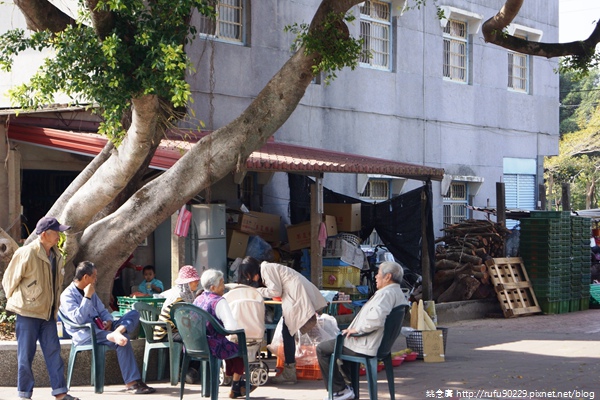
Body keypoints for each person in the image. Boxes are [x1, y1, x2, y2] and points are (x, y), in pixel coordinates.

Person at [1, 216, 81, 400]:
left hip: (48, 313)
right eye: (57, 232)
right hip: (28, 313)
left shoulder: (57, 255)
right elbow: (8, 281)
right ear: (45, 234)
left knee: (54, 353)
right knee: (25, 357)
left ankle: (60, 393)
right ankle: (24, 394)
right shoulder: (27, 252)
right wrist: (19, 301)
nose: (59, 235)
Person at [316, 261, 408, 400]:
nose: (376, 277)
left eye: (378, 274)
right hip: (378, 344)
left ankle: (339, 390)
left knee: (322, 349)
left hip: (367, 343)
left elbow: (376, 319)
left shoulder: (386, 294)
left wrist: (357, 330)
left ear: (387, 276)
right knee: (342, 357)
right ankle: (349, 391)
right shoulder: (397, 292)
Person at [60, 261, 156, 395]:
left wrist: (108, 321)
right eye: (94, 276)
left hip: (104, 328)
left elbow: (103, 310)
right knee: (124, 339)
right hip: (86, 332)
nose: (96, 279)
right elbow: (78, 319)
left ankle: (117, 332)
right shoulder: (67, 296)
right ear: (86, 277)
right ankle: (132, 382)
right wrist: (87, 297)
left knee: (134, 313)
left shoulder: (91, 291)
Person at [237, 256, 328, 384]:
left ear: (252, 271)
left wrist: (256, 291)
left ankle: (290, 372)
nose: (249, 279)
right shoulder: (267, 268)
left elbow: (275, 291)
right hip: (295, 295)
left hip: (296, 296)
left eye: (248, 275)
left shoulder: (266, 269)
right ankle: (291, 369)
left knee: (288, 332)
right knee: (290, 332)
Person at [193, 269, 257, 399]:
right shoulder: (219, 301)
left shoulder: (197, 300)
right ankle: (236, 384)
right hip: (214, 347)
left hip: (195, 345)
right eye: (222, 283)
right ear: (213, 287)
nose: (224, 286)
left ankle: (237, 386)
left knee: (229, 345)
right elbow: (231, 327)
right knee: (240, 347)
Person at [153, 265, 201, 384]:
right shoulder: (180, 297)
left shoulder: (183, 294)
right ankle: (185, 370)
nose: (197, 283)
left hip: (173, 329)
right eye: (195, 281)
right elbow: (185, 320)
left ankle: (190, 370)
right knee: (195, 338)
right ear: (188, 283)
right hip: (165, 332)